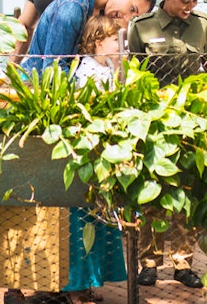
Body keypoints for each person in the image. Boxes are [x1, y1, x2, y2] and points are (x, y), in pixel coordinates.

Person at [126, 0, 207, 290]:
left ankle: (183, 264)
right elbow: (131, 71)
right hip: (152, 122)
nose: (190, 6)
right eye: (184, 1)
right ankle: (149, 264)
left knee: (185, 195)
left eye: (194, 1)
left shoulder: (202, 25)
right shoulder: (141, 27)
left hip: (190, 122)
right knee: (152, 195)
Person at [64, 15, 128, 302]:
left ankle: (89, 282)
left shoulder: (110, 68)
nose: (119, 44)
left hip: (103, 153)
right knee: (83, 221)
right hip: (87, 152)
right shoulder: (86, 71)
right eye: (115, 39)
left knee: (99, 219)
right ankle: (76, 287)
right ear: (98, 42)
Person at [21, 0, 157, 73]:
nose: (126, 19)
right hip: (35, 89)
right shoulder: (73, 6)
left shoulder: (102, 12)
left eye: (134, 17)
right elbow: (54, 70)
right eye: (132, 9)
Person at [72, 14, 123, 87]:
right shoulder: (88, 69)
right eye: (116, 40)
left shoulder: (109, 63)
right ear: (99, 44)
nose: (120, 44)